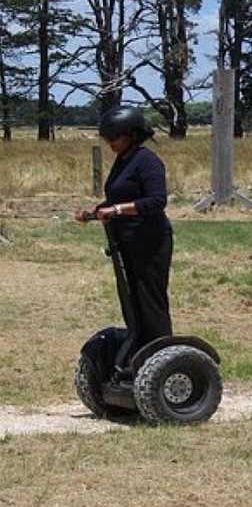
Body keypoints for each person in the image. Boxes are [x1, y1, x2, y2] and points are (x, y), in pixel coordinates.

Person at [75, 107, 173, 373]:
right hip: (125, 241)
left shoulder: (147, 160)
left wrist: (116, 211)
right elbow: (118, 198)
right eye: (108, 139)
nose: (110, 144)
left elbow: (156, 201)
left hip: (150, 241)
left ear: (131, 135)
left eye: (114, 138)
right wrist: (94, 212)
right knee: (130, 300)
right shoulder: (123, 160)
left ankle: (163, 358)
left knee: (149, 299)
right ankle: (140, 354)